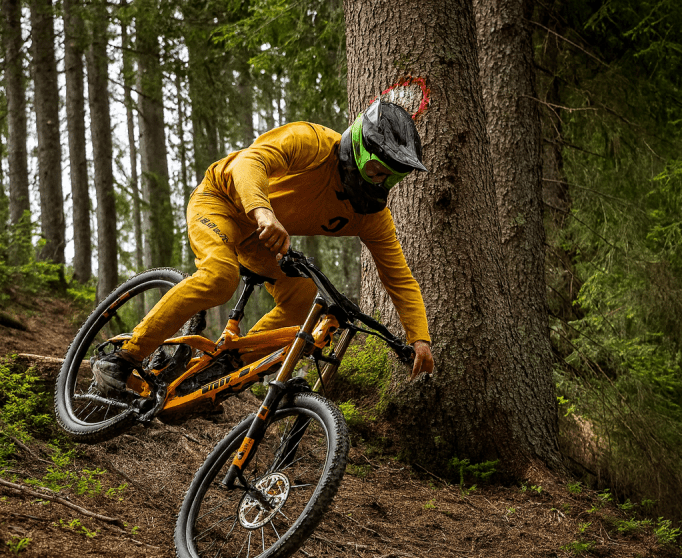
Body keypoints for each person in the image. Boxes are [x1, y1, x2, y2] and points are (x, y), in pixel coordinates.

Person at [93, 100, 434, 393]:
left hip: (261, 238)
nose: (382, 183)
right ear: (357, 150)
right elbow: (249, 162)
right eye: (377, 171)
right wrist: (263, 212)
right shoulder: (313, 142)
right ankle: (122, 358)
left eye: (392, 177)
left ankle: (223, 369)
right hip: (221, 202)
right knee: (219, 279)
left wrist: (420, 338)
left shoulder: (370, 216)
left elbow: (399, 277)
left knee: (306, 301)